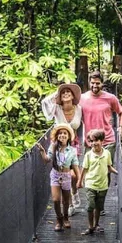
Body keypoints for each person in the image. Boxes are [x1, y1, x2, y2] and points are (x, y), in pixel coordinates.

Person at [80, 70, 122, 215]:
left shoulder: (110, 98)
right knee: (89, 171)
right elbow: (69, 110)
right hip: (90, 142)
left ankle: (101, 205)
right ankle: (91, 201)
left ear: (102, 83)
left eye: (97, 83)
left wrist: (120, 126)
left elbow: (121, 112)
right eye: (92, 83)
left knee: (105, 171)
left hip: (108, 141)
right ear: (89, 82)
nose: (95, 86)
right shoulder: (82, 98)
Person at [41, 83, 82, 216]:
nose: (65, 94)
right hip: (59, 145)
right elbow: (45, 103)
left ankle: (75, 193)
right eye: (63, 92)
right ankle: (70, 204)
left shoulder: (79, 108)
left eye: (68, 92)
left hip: (74, 144)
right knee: (67, 175)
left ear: (73, 95)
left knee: (74, 176)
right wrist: (56, 94)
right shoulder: (56, 108)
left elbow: (84, 124)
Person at [37, 123, 80, 232]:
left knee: (65, 201)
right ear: (57, 136)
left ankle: (66, 218)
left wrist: (79, 180)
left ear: (68, 136)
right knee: (56, 200)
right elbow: (47, 160)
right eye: (60, 133)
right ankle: (59, 219)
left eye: (65, 133)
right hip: (55, 175)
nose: (62, 135)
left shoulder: (72, 150)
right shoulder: (53, 146)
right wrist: (42, 151)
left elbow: (75, 165)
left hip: (66, 176)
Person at [77, 129, 118, 235]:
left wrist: (119, 173)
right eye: (91, 141)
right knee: (91, 206)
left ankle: (96, 224)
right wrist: (80, 181)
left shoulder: (107, 153)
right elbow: (84, 169)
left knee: (99, 207)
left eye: (96, 140)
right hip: (90, 184)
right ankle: (90, 227)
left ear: (102, 141)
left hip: (103, 185)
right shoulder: (88, 155)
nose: (93, 143)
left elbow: (109, 167)